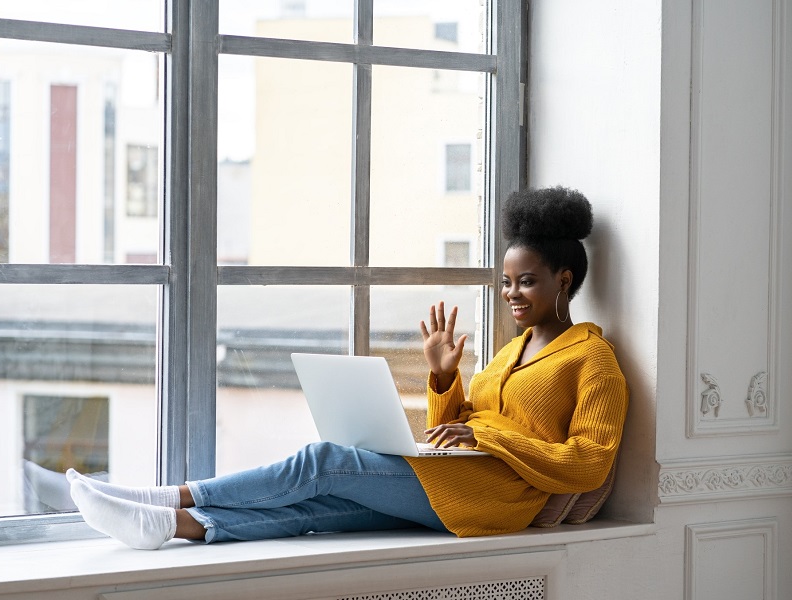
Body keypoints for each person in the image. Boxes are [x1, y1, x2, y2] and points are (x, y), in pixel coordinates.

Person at [68, 185, 628, 550]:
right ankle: (167, 527)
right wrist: (442, 378)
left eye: (526, 281)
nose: (512, 294)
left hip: (497, 497)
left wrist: (498, 443)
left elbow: (590, 464)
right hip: (460, 476)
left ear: (565, 280)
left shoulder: (592, 359)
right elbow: (454, 426)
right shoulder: (511, 351)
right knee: (323, 508)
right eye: (506, 282)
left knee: (324, 460)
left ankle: (170, 496)